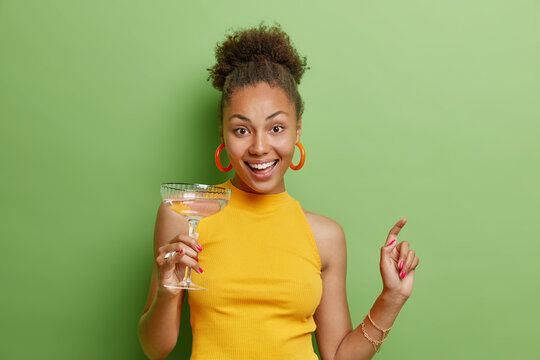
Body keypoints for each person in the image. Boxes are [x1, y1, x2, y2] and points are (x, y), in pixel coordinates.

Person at [138, 23, 420, 360]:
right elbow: (155, 348)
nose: (259, 147)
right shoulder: (184, 214)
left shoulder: (325, 236)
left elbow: (338, 356)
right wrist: (168, 294)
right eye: (242, 129)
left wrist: (392, 297)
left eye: (276, 128)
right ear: (223, 133)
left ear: (297, 129)